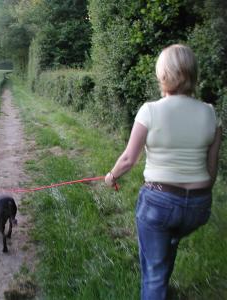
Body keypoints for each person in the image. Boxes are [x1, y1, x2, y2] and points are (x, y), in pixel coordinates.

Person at [104, 44, 222, 300]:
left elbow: (128, 159)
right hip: (199, 206)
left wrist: (111, 176)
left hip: (160, 204)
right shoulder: (211, 113)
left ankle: (158, 289)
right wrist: (195, 197)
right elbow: (212, 168)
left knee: (154, 272)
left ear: (163, 74)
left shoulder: (150, 110)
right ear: (193, 73)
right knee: (170, 239)